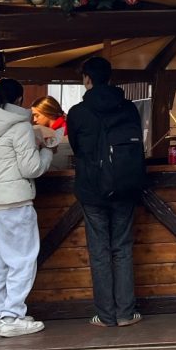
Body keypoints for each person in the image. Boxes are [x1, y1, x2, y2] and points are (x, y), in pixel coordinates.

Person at [0, 77, 52, 338]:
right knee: (22, 260)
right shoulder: (20, 127)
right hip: (14, 203)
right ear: (19, 99)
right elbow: (32, 168)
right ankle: (12, 316)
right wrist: (47, 149)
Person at [67, 57, 143, 328]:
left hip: (92, 189)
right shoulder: (129, 108)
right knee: (122, 248)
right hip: (125, 186)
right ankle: (125, 313)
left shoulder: (77, 113)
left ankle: (105, 315)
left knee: (99, 250)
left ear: (87, 79)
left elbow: (76, 149)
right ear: (109, 78)